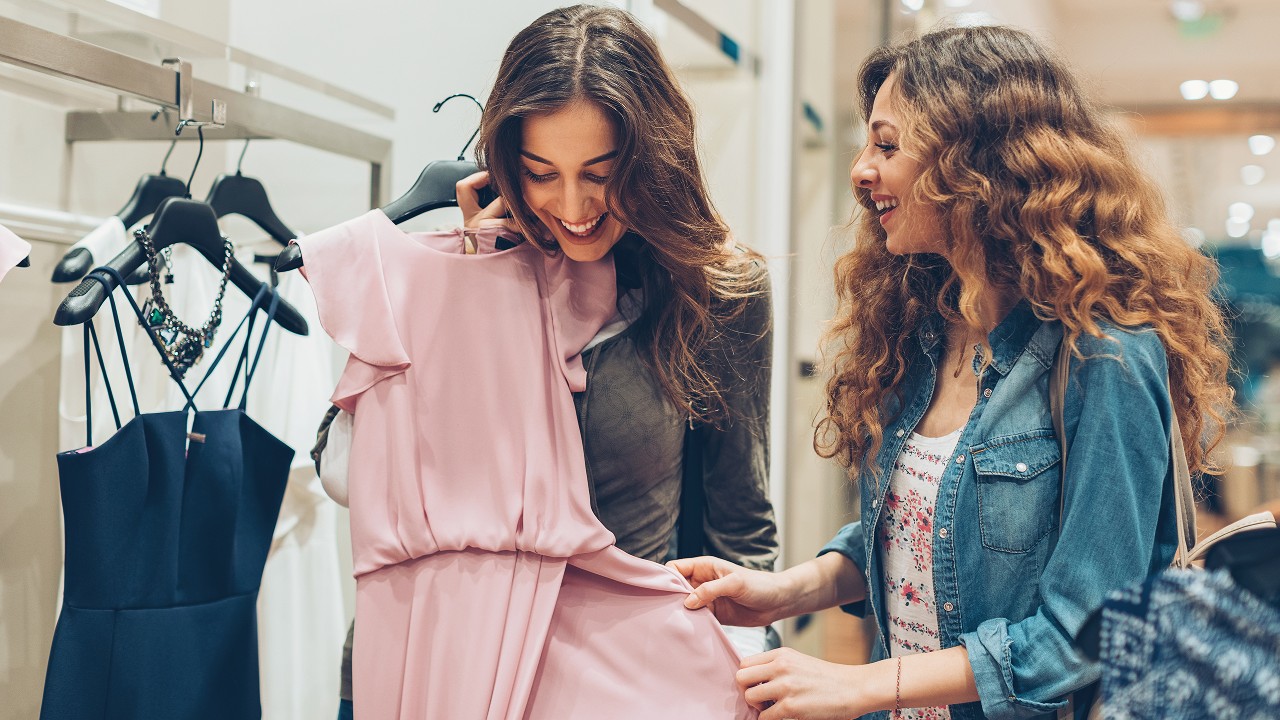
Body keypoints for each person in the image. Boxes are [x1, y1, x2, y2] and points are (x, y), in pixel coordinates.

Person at [670, 24, 1233, 720]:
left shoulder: (1105, 354)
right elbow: (918, 530)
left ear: (976, 161)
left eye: (887, 143)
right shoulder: (924, 327)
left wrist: (861, 684)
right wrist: (786, 590)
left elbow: (1086, 632)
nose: (860, 170)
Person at [330, 5, 777, 717]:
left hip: (622, 676)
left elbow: (741, 523)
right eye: (541, 173)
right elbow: (352, 474)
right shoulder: (460, 270)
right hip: (440, 659)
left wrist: (745, 677)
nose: (572, 206)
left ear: (652, 158)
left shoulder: (718, 293)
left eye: (601, 174)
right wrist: (475, 295)